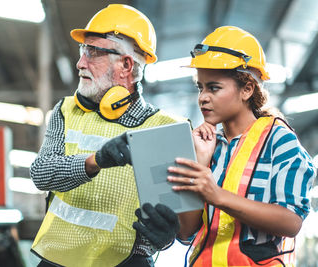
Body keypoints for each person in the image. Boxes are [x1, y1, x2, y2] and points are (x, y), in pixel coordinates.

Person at [135, 26, 317, 266]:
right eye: (200, 87)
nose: (202, 97)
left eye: (214, 87)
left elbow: (291, 221)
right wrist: (199, 162)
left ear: (247, 89)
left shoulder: (279, 141)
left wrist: (217, 195)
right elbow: (188, 232)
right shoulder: (210, 147)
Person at [30, 4, 184, 267]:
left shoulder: (163, 128)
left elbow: (175, 219)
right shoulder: (66, 111)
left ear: (126, 65)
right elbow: (41, 174)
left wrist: (166, 237)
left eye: (93, 53)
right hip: (57, 260)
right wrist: (95, 161)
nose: (80, 63)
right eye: (82, 50)